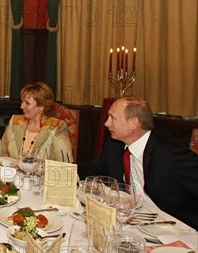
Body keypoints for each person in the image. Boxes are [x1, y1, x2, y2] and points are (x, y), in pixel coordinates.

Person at [78, 96, 198, 230]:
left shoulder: (171, 158)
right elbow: (95, 170)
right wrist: (61, 172)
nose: (106, 123)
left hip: (178, 229)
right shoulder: (115, 145)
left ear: (134, 123)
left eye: (113, 118)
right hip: (134, 221)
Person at [1, 82, 73, 162]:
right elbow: (2, 151)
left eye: (27, 103)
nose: (21, 106)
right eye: (22, 102)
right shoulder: (15, 121)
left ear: (41, 107)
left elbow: (65, 162)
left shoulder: (57, 127)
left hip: (41, 174)